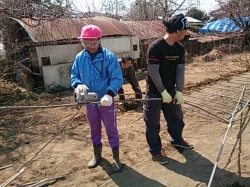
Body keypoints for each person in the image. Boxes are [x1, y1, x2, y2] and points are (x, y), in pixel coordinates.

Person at [71, 24, 123, 172]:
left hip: (106, 101)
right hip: (90, 101)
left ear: (99, 40)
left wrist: (110, 94)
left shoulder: (109, 57)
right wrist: (78, 84)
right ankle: (97, 155)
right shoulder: (80, 58)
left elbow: (117, 78)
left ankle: (116, 157)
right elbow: (74, 74)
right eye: (86, 42)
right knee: (94, 129)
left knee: (111, 129)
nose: (90, 46)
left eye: (93, 42)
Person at [143, 14, 194, 165]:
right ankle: (155, 149)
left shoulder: (179, 48)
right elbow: (153, 72)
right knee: (152, 122)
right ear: (178, 30)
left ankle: (177, 140)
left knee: (176, 117)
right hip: (154, 91)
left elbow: (180, 71)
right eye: (185, 30)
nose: (187, 33)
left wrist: (179, 91)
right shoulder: (155, 47)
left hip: (171, 89)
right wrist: (162, 91)